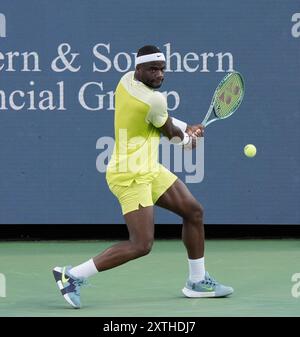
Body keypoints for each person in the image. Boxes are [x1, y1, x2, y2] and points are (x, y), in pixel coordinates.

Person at [53, 45, 233, 309]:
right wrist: (188, 140)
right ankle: (72, 275)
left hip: (148, 167)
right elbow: (169, 131)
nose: (159, 75)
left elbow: (162, 120)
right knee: (141, 244)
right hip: (130, 173)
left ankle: (197, 281)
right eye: (153, 70)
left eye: (162, 70)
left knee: (193, 211)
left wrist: (187, 129)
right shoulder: (154, 100)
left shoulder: (126, 81)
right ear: (139, 69)